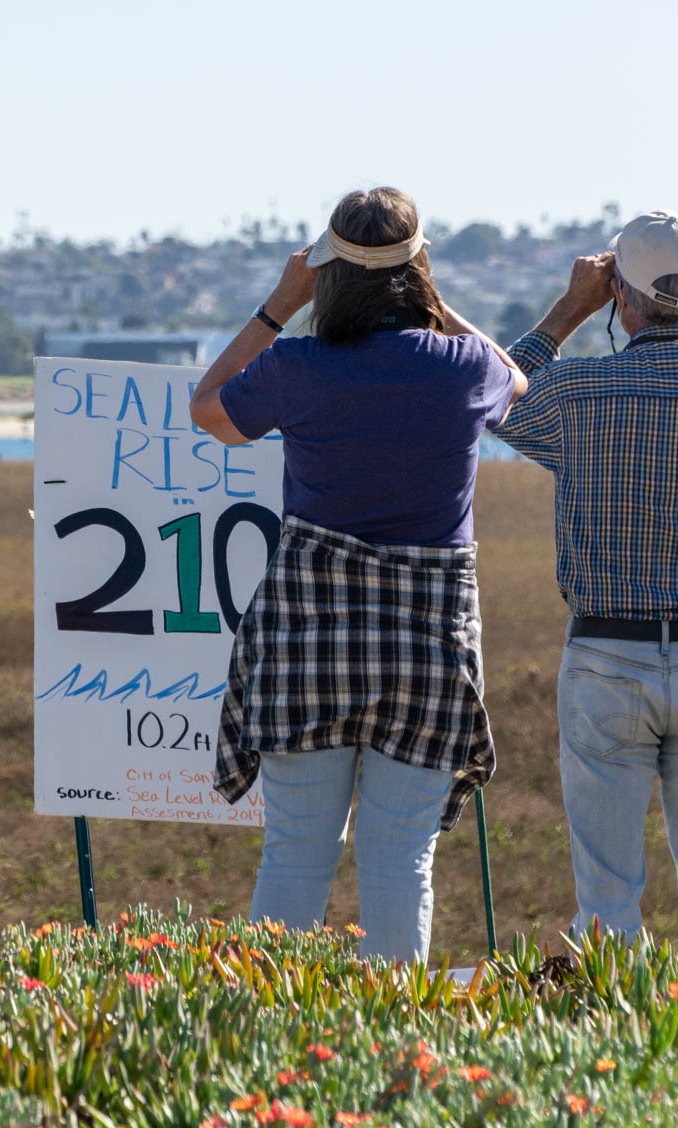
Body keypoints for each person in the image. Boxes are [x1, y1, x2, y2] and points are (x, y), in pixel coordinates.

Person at [190, 186, 527, 963]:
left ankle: (266, 1029)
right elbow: (517, 383)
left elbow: (208, 409)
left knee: (296, 854)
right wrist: (438, 303)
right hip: (426, 653)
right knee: (401, 859)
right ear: (422, 269)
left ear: (327, 271)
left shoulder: (298, 365)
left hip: (307, 643)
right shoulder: (463, 367)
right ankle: (396, 1040)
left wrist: (280, 303)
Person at [495, 211, 678, 958]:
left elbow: (499, 398)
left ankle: (615, 1055)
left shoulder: (580, 392)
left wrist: (570, 309)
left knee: (606, 899)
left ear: (617, 296)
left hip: (605, 655)